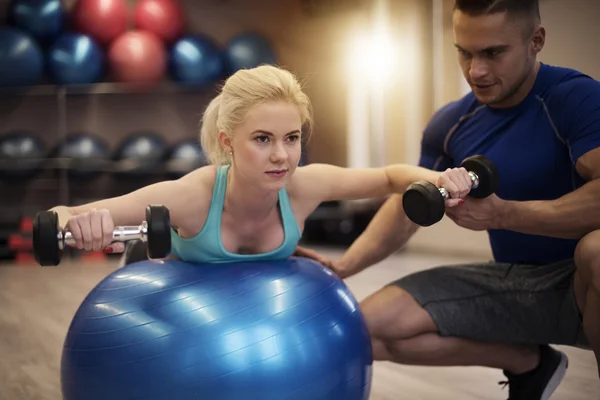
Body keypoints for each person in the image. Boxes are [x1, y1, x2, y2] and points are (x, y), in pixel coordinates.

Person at [296, 0, 600, 399]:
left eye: (493, 53)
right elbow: (410, 205)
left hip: (583, 281)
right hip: (517, 282)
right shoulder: (451, 122)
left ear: (535, 40)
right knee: (364, 329)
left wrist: (504, 214)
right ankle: (529, 363)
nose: (476, 70)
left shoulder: (574, 98)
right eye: (464, 52)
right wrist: (343, 265)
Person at [48, 64, 468, 267]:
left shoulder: (304, 186)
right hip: (171, 299)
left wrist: (441, 178)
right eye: (262, 139)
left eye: (292, 138)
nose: (281, 156)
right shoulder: (191, 196)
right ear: (228, 143)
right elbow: (60, 216)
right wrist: (82, 225)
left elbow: (391, 176)